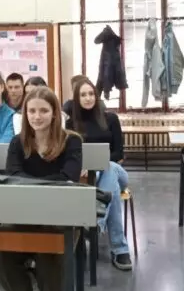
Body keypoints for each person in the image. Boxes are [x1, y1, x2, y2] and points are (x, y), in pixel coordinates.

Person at [0, 87, 82, 291]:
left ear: (54, 113)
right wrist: (45, 184)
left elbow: (68, 177)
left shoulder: (71, 141)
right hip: (24, 213)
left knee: (49, 257)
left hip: (59, 214)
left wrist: (30, 183)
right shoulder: (17, 142)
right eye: (32, 111)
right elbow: (13, 176)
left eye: (43, 110)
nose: (37, 116)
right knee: (4, 256)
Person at [65, 78, 133, 270]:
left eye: (91, 94)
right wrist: (86, 165)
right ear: (77, 99)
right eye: (83, 95)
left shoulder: (111, 119)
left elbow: (119, 153)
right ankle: (120, 249)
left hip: (116, 171)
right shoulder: (71, 124)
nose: (88, 98)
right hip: (89, 178)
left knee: (109, 167)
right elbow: (71, 154)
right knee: (112, 193)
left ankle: (97, 222)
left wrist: (97, 164)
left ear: (96, 96)